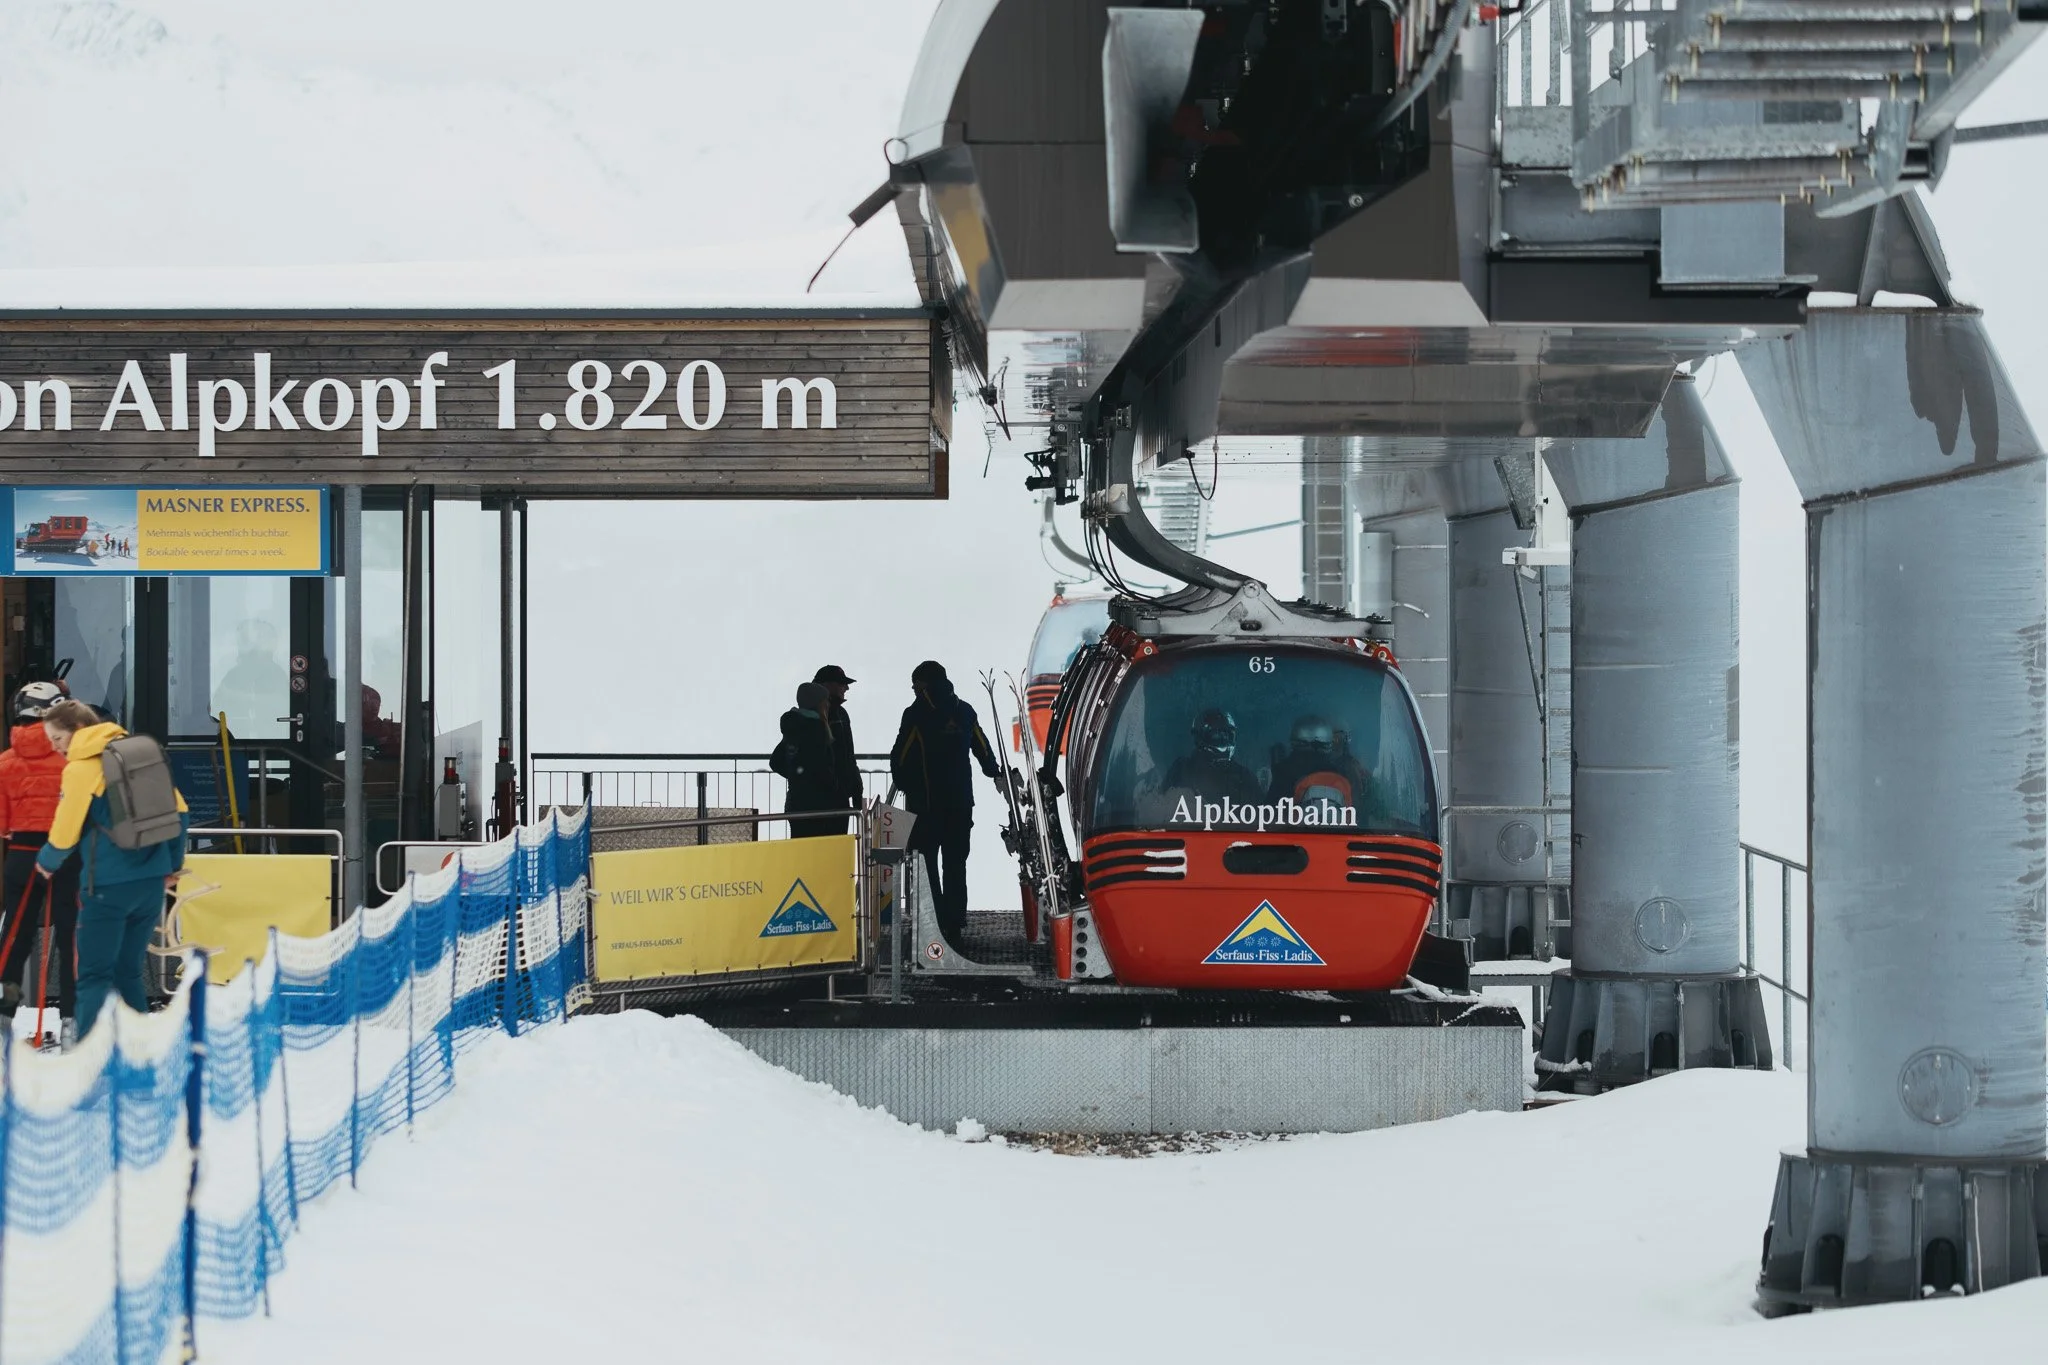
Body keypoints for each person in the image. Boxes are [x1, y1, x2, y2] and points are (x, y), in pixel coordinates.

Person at [35, 699, 190, 1040]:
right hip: (150, 885)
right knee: (128, 972)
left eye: (57, 739)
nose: (54, 747)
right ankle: (140, 1048)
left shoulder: (81, 769)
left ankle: (86, 1057)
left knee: (93, 975)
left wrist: (46, 862)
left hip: (107, 886)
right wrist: (172, 866)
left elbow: (65, 831)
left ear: (78, 730)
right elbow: (180, 815)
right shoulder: (139, 754)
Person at [889, 661, 1003, 950]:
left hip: (927, 806)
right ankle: (953, 923)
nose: (914, 691)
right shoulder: (963, 710)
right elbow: (983, 747)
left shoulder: (915, 714)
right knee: (955, 865)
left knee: (926, 865)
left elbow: (899, 758)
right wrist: (995, 772)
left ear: (924, 686)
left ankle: (933, 921)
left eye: (916, 685)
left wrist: (907, 783)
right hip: (960, 804)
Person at [0, 682, 82, 1024]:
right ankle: (71, 1017)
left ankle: (5, 1007)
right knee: (69, 933)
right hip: (66, 852)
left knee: (16, 931)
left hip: (22, 852)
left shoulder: (5, 761)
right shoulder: (71, 757)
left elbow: (3, 824)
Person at [1267, 714, 1371, 827]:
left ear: (1295, 741)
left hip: (1292, 841)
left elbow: (1268, 816)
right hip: (1339, 841)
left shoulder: (1284, 772)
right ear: (1328, 742)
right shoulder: (1344, 773)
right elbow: (1359, 819)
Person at [774, 683, 846, 839]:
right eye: (825, 700)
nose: (828, 703)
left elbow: (776, 761)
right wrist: (833, 785)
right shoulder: (816, 729)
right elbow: (820, 766)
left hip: (796, 802)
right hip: (818, 805)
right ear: (819, 703)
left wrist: (797, 775)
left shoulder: (793, 727)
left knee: (801, 850)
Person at [1163, 708, 1262, 811]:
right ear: (1200, 737)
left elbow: (1263, 816)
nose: (1223, 739)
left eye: (1227, 735)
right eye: (1216, 735)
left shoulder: (1244, 777)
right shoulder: (1183, 769)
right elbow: (1166, 811)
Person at [813, 664, 863, 827]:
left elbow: (849, 755)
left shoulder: (841, 714)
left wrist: (856, 789)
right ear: (827, 685)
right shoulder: (808, 716)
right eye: (841, 683)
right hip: (816, 803)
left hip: (839, 801)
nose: (846, 687)